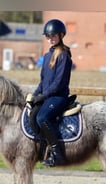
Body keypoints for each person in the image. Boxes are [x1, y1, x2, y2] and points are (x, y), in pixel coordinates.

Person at [30, 19, 73, 167]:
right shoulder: (47, 56)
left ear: (61, 35)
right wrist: (35, 95)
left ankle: (58, 154)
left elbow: (58, 83)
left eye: (53, 36)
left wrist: (44, 95)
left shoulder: (64, 56)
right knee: (32, 114)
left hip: (58, 97)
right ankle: (42, 149)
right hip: (48, 95)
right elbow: (43, 80)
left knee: (42, 117)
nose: (50, 39)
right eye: (47, 36)